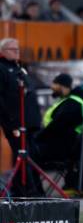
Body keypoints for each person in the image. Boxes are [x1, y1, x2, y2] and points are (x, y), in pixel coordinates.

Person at [0, 38, 44, 197]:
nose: (17, 52)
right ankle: (27, 193)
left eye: (18, 49)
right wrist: (11, 123)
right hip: (16, 124)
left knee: (32, 158)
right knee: (21, 158)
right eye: (13, 49)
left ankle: (36, 191)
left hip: (30, 124)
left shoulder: (20, 68)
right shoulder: (2, 69)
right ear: (3, 51)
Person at [34, 73, 83, 192]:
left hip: (62, 148)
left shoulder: (72, 104)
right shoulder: (68, 101)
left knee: (29, 152)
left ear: (62, 86)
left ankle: (33, 190)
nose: (51, 87)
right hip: (62, 145)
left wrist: (36, 138)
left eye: (54, 84)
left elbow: (56, 127)